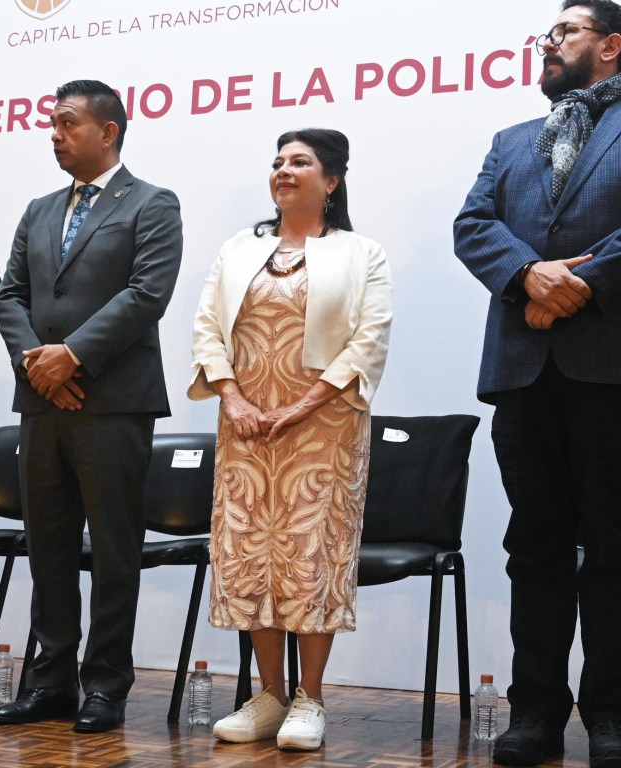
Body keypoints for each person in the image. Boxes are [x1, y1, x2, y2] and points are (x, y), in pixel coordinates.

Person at [453, 2, 621, 765]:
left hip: (619, 366)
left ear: (610, 45)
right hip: (524, 367)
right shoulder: (510, 140)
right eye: (547, 33)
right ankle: (534, 712)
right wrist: (526, 274)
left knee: (612, 546)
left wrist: (578, 285)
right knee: (533, 547)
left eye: (564, 31)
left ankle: (610, 718)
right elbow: (473, 225)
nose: (548, 42)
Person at [0, 79, 184, 734]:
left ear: (109, 130)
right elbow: (8, 295)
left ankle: (105, 686)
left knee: (113, 550)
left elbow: (146, 294)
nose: (55, 134)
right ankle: (49, 682)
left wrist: (71, 356)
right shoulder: (40, 208)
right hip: (42, 402)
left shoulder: (152, 203)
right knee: (47, 547)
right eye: (52, 123)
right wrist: (37, 365)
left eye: (68, 123)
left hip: (113, 403)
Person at [190, 128, 392, 753]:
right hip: (246, 423)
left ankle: (310, 698)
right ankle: (269, 696)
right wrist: (233, 398)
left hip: (323, 427)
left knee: (311, 553)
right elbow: (206, 328)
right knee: (252, 552)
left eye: (300, 162)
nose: (283, 170)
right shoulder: (239, 249)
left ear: (331, 180)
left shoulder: (362, 253)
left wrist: (303, 406)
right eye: (277, 161)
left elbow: (368, 339)